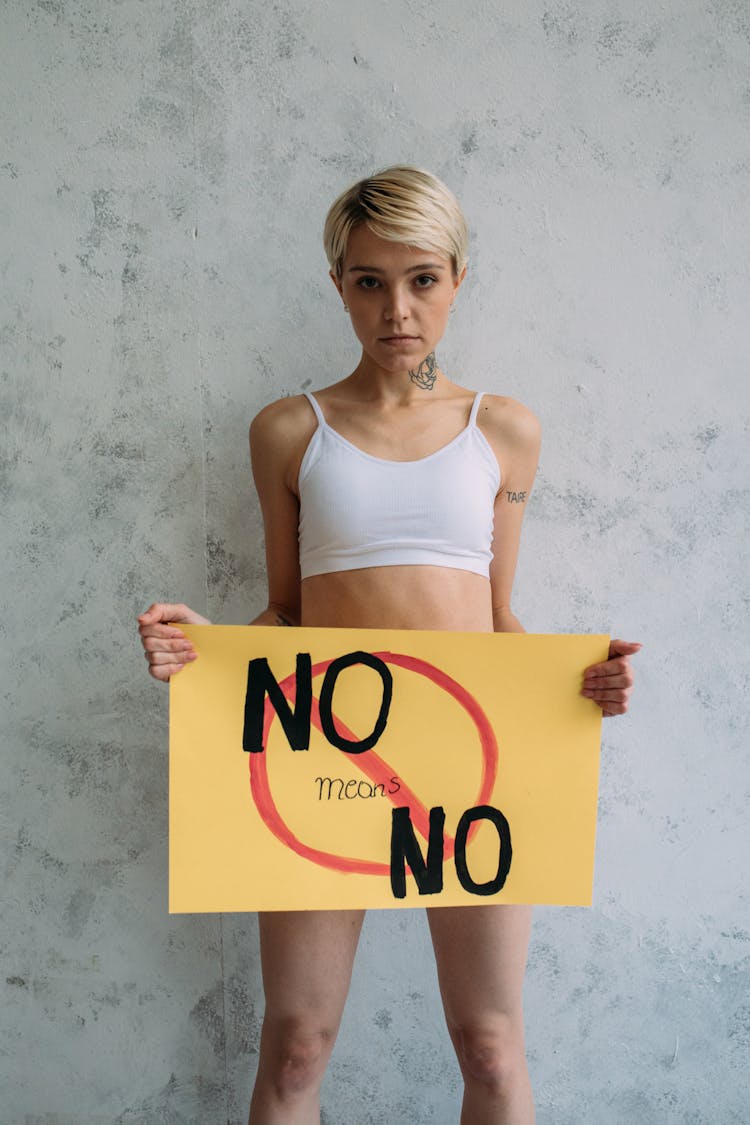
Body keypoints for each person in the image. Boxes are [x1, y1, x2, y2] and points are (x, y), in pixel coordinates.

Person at [138, 166, 640, 1125]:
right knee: (295, 1049)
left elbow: (498, 618)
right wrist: (207, 657)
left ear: (456, 279)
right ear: (338, 283)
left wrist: (581, 682)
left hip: (472, 758)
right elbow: (286, 612)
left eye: (420, 280)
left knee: (490, 1046)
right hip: (326, 749)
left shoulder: (505, 430)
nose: (396, 308)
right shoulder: (290, 429)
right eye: (369, 280)